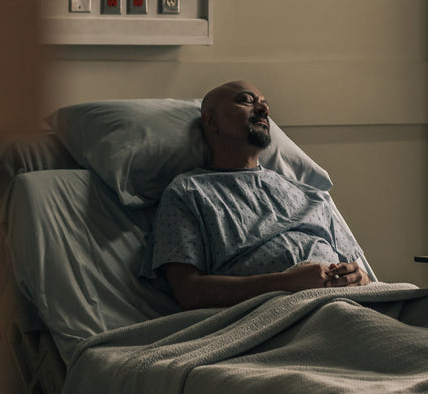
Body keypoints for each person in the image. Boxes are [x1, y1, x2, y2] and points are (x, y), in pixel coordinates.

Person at [152, 80, 373, 310]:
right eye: (247, 101)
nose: (263, 109)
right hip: (281, 314)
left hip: (351, 303)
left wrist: (360, 278)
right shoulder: (188, 193)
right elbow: (189, 291)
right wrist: (286, 283)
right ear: (211, 121)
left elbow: (359, 273)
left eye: (264, 104)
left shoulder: (312, 195)